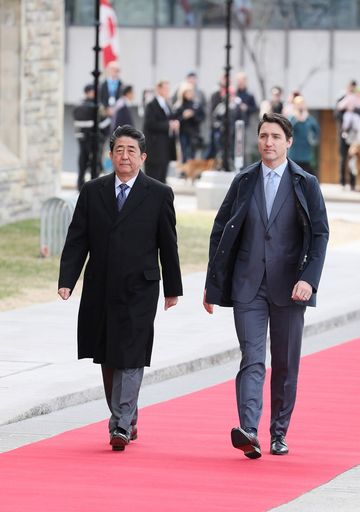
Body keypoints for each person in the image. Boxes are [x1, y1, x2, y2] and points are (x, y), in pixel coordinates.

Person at [203, 113, 329, 459]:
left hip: (291, 288)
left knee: (286, 363)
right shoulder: (243, 180)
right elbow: (221, 231)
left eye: (275, 136)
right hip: (248, 286)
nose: (268, 142)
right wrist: (212, 284)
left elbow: (319, 234)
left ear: (289, 142)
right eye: (263, 136)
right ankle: (248, 429)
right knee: (253, 357)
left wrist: (309, 279)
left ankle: (278, 433)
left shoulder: (305, 183)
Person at [58, 124, 183, 452]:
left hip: (140, 288)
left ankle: (120, 424)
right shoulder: (93, 191)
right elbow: (77, 239)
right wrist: (67, 281)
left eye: (131, 151)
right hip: (101, 286)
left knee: (130, 353)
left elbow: (168, 244)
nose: (124, 156)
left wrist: (173, 287)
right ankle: (127, 414)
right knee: (107, 355)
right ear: (110, 155)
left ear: (142, 157)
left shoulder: (158, 194)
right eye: (119, 150)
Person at [73, 83, 108, 190]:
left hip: (82, 140)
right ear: (90, 92)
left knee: (82, 164)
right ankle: (94, 188)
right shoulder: (96, 107)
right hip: (94, 140)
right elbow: (104, 124)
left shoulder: (78, 107)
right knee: (95, 165)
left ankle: (80, 186)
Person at [143, 79, 179, 183]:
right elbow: (149, 124)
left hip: (165, 148)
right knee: (153, 178)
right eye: (165, 88)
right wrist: (169, 124)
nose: (168, 91)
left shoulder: (167, 104)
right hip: (155, 149)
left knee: (162, 178)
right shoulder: (151, 104)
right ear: (158, 89)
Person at [287, 96, 320, 176]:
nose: (300, 106)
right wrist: (297, 120)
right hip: (294, 151)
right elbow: (288, 129)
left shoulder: (309, 118)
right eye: (298, 104)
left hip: (306, 151)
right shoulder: (292, 117)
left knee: (308, 174)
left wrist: (313, 140)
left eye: (302, 104)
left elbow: (317, 130)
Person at [173, 83, 205, 162]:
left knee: (192, 153)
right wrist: (183, 116)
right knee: (184, 152)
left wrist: (193, 115)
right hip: (183, 132)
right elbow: (175, 120)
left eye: (190, 92)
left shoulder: (196, 104)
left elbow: (202, 117)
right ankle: (184, 171)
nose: (189, 94)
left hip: (194, 132)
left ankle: (192, 170)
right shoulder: (178, 106)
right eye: (187, 92)